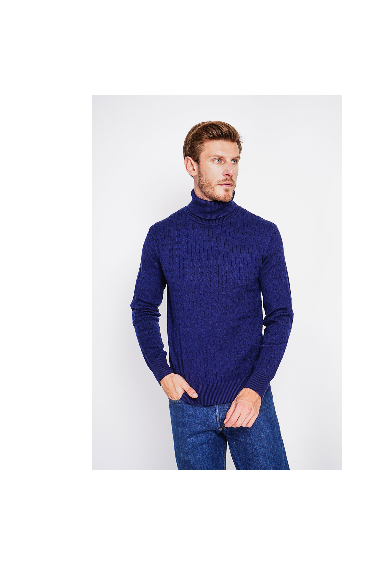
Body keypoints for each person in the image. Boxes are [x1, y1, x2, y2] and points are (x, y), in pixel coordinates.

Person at [130, 121, 294, 470]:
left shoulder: (263, 234)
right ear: (191, 166)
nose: (229, 170)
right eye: (217, 160)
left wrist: (255, 388)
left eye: (234, 161)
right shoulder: (162, 236)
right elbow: (143, 308)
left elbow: (281, 315)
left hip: (249, 403)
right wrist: (162, 372)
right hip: (189, 409)